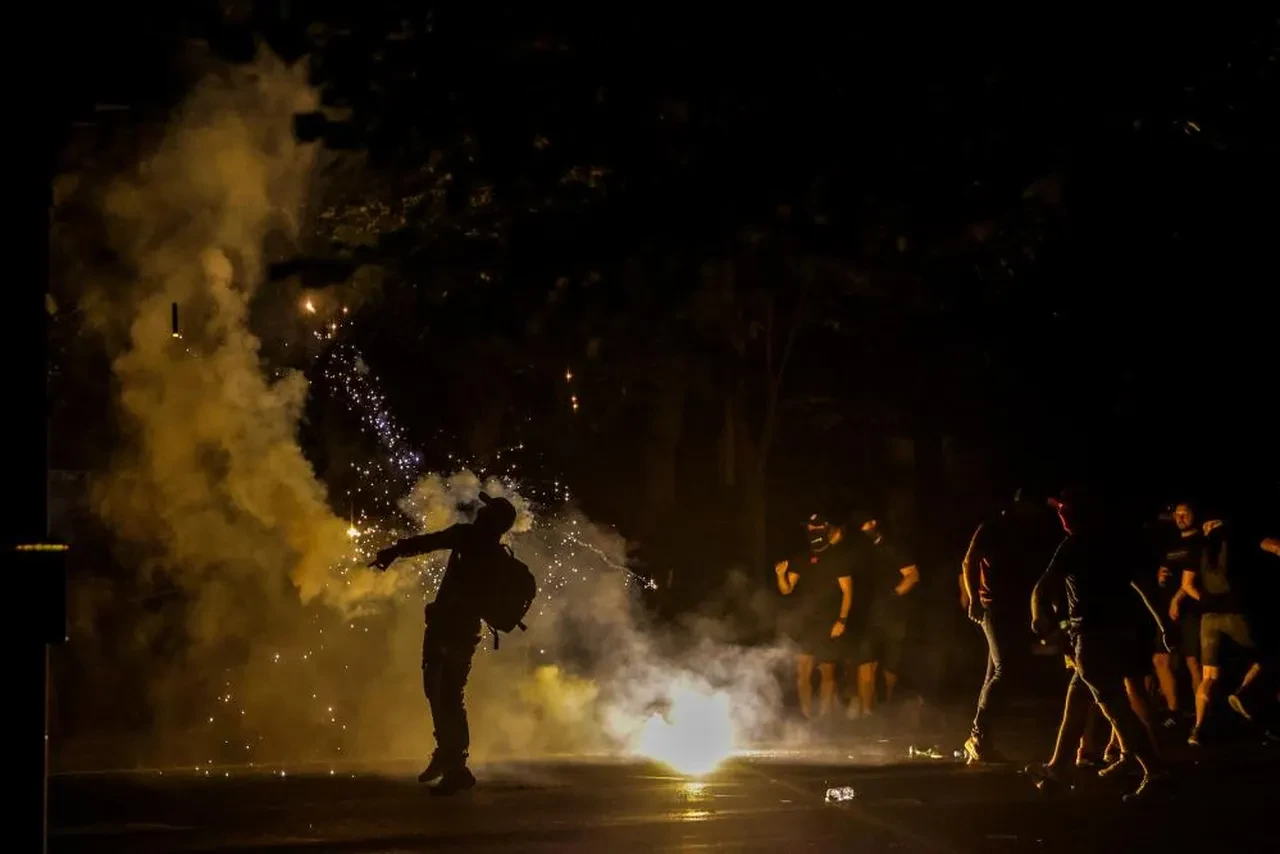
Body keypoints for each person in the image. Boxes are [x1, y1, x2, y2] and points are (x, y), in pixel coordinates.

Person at [1029, 486, 1172, 801]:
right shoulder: (1115, 543)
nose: (1061, 516)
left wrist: (1040, 621)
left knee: (1114, 705)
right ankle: (1057, 768)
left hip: (1092, 637)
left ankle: (1154, 770)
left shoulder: (1074, 545)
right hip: (1119, 632)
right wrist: (1165, 624)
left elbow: (1042, 588)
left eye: (1064, 511)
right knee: (1078, 700)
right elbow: (1144, 586)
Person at [370, 493, 519, 795]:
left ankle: (455, 764)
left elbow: (428, 542)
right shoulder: (489, 550)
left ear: (491, 521)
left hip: (452, 630)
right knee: (443, 690)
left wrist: (394, 552)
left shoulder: (470, 539)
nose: (479, 512)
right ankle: (449, 756)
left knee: (445, 692)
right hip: (459, 631)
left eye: (486, 511)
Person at [962, 489, 1064, 763]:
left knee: (995, 671)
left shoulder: (1030, 532)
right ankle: (978, 734)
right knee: (1004, 669)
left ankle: (981, 740)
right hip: (993, 607)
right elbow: (968, 561)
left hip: (1015, 607)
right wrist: (973, 599)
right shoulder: (993, 527)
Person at [1183, 517, 1266, 746]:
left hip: (1209, 618)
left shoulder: (1197, 548)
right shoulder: (1237, 541)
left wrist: (1209, 601)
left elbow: (1187, 585)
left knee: (1209, 676)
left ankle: (1197, 729)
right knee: (1265, 655)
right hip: (1236, 613)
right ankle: (1243, 695)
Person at [776, 513, 855, 722]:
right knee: (803, 671)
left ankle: (825, 716)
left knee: (827, 671)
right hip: (806, 624)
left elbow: (847, 591)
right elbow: (786, 590)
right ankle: (807, 715)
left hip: (829, 623)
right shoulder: (801, 559)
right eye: (809, 527)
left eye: (816, 527)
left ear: (825, 528)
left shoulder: (838, 558)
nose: (812, 531)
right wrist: (780, 575)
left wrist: (842, 620)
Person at [850, 512, 919, 717]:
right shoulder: (861, 551)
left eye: (871, 521)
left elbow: (913, 576)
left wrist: (893, 594)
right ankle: (866, 712)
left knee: (891, 666)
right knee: (865, 661)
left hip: (892, 614)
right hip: (867, 614)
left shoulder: (894, 546)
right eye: (864, 523)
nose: (868, 526)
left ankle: (887, 706)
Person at [1162, 502, 1205, 721]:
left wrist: (1177, 599)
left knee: (1193, 661)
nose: (1179, 518)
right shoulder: (1174, 543)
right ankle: (1175, 711)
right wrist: (1162, 574)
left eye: (1184, 514)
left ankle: (1201, 713)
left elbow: (1192, 577)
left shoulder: (1200, 541)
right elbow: (1169, 567)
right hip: (1172, 612)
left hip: (1191, 610)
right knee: (1166, 660)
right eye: (1176, 515)